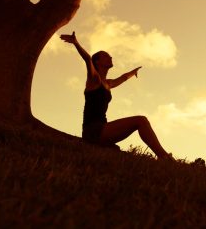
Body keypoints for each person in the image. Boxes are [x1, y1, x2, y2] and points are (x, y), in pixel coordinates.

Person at [60, 31, 171, 159]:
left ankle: (162, 156)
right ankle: (164, 157)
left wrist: (132, 72)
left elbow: (122, 78)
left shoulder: (108, 83)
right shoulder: (94, 80)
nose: (110, 57)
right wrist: (76, 43)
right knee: (141, 120)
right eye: (106, 56)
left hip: (102, 128)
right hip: (93, 131)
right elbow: (87, 59)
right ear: (97, 62)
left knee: (139, 123)